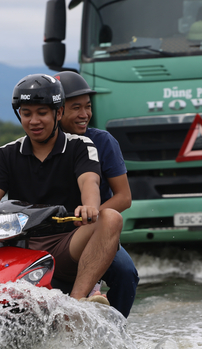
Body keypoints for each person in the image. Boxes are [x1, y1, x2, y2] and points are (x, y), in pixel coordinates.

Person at [0, 73, 124, 306]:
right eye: (26, 113)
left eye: (42, 113)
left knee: (111, 218)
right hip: (14, 242)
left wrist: (90, 207)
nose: (34, 120)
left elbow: (89, 182)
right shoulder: (7, 153)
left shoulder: (80, 146)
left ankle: (76, 303)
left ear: (58, 113)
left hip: (65, 244)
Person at [54, 71, 139, 318]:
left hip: (94, 228)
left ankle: (115, 331)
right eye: (76, 108)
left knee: (125, 274)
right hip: (52, 232)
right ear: (57, 111)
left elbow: (123, 197)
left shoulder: (103, 141)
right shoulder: (39, 145)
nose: (84, 115)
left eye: (88, 107)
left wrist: (91, 216)